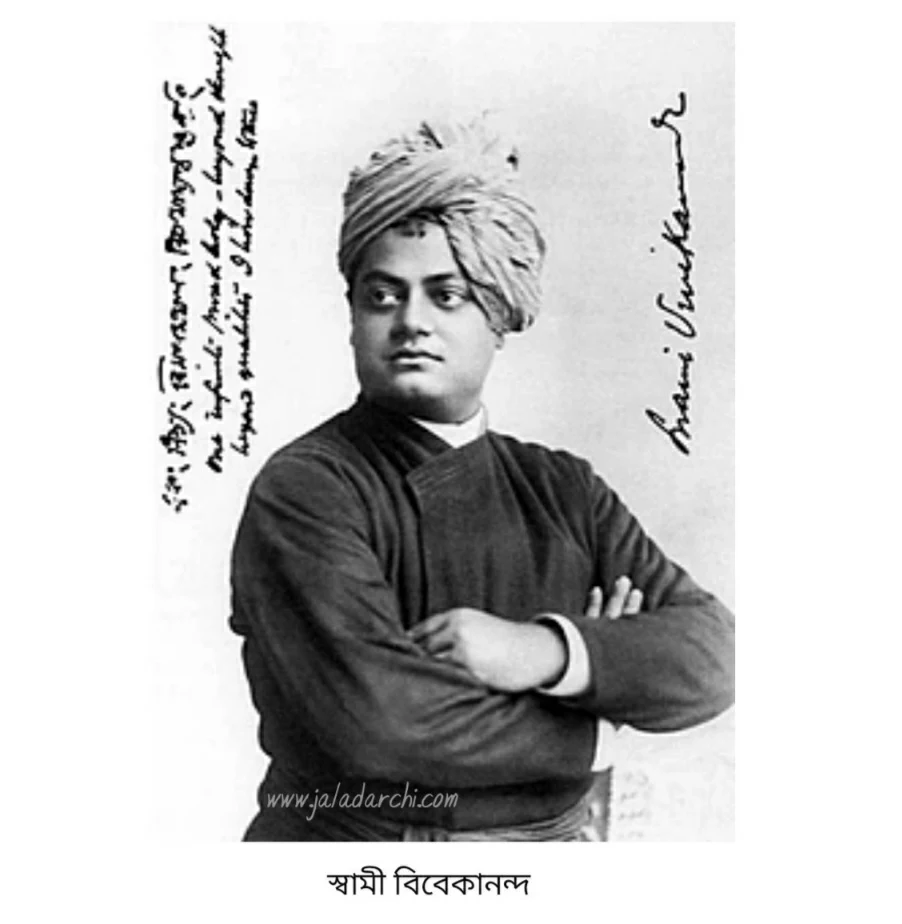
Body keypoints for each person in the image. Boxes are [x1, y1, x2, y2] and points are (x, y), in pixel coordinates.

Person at [229, 115, 734, 841]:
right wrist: (601, 711)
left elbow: (716, 656)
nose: (411, 321)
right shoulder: (309, 489)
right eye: (382, 295)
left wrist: (540, 651)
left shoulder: (564, 490)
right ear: (352, 315)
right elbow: (383, 721)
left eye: (447, 295)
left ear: (498, 315)